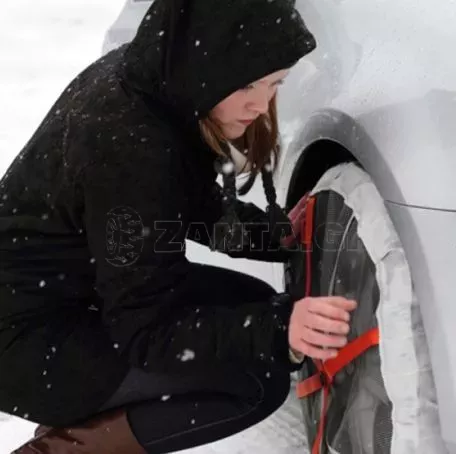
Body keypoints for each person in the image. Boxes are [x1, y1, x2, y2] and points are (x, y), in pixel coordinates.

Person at [1, 0, 357, 452]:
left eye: (275, 84)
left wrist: (273, 235)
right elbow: (147, 331)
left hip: (75, 292)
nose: (260, 103)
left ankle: (92, 418)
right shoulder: (130, 147)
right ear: (208, 62)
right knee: (254, 379)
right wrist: (279, 327)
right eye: (248, 82)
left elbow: (177, 212)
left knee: (252, 308)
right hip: (27, 344)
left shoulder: (156, 87)